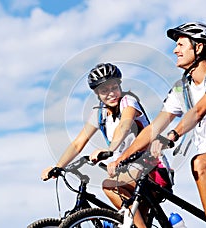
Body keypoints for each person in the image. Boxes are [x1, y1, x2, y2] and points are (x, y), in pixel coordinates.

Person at [107, 22, 206, 228]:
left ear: (198, 47)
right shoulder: (181, 89)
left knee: (200, 163)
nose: (175, 50)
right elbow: (154, 127)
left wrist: (172, 135)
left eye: (181, 45)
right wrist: (122, 157)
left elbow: (200, 110)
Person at [41, 63, 171, 227]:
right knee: (130, 219)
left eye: (114, 87)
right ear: (96, 94)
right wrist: (58, 166)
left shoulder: (128, 102)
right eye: (104, 91)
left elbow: (124, 125)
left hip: (152, 169)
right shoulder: (99, 113)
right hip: (127, 172)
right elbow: (78, 142)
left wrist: (110, 150)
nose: (111, 94)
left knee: (110, 186)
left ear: (120, 85)